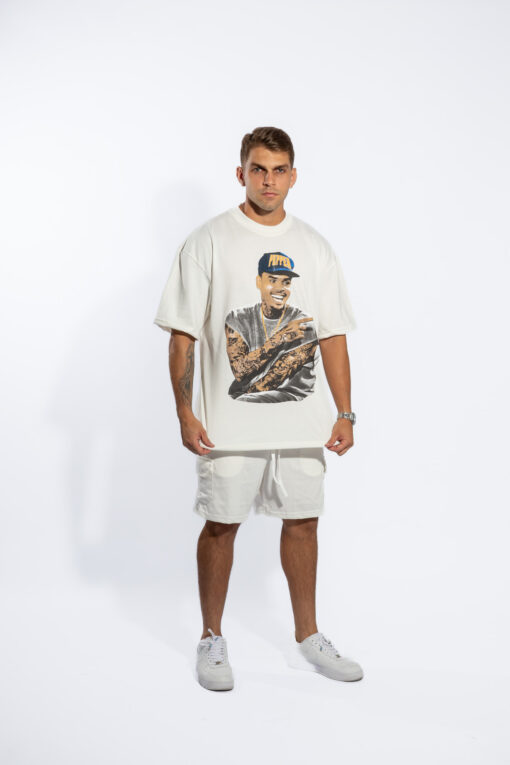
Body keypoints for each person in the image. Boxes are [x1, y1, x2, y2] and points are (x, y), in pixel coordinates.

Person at [153, 126, 363, 691]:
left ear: (293, 176)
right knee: (221, 524)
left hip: (302, 424)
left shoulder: (315, 246)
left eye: (279, 170)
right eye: (258, 169)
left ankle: (308, 636)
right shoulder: (208, 241)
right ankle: (211, 637)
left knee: (304, 522)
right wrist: (184, 412)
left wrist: (345, 412)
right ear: (240, 172)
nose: (269, 181)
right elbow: (183, 335)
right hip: (228, 425)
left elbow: (333, 334)